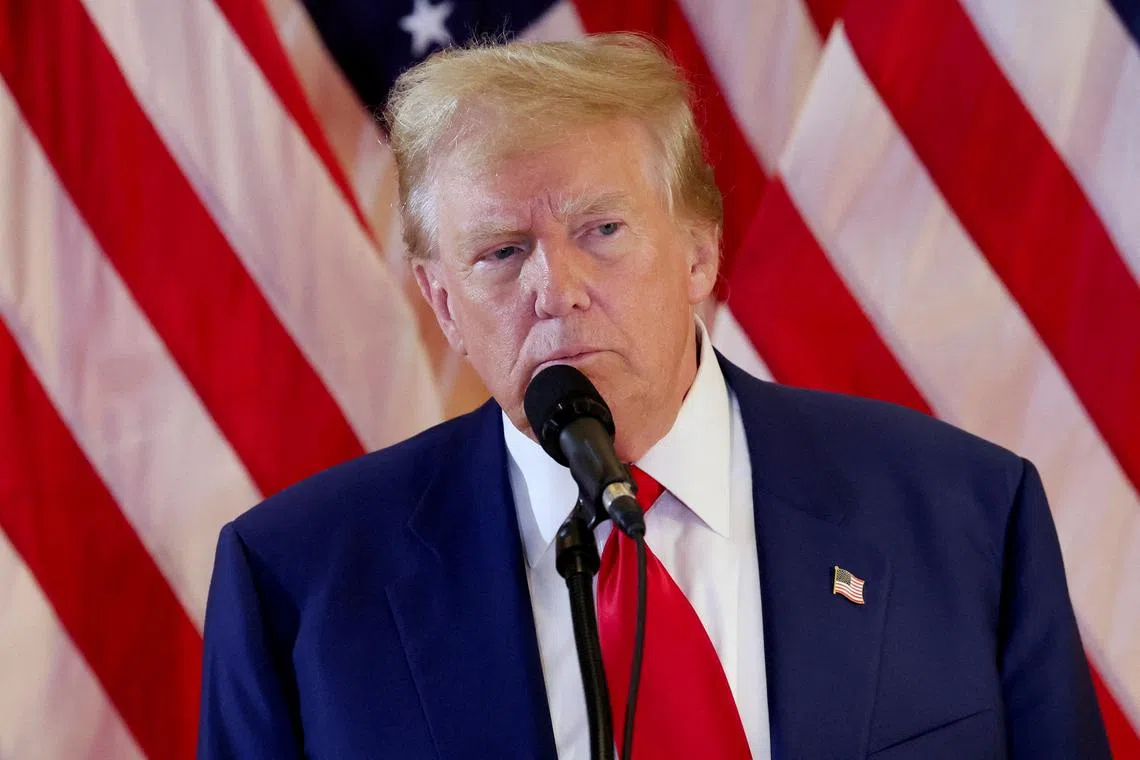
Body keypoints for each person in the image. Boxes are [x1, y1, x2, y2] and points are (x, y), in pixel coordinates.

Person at [197, 33, 1110, 759]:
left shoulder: (965, 518)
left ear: (699, 253)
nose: (556, 287)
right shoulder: (299, 584)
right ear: (443, 301)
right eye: (502, 252)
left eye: (602, 229)